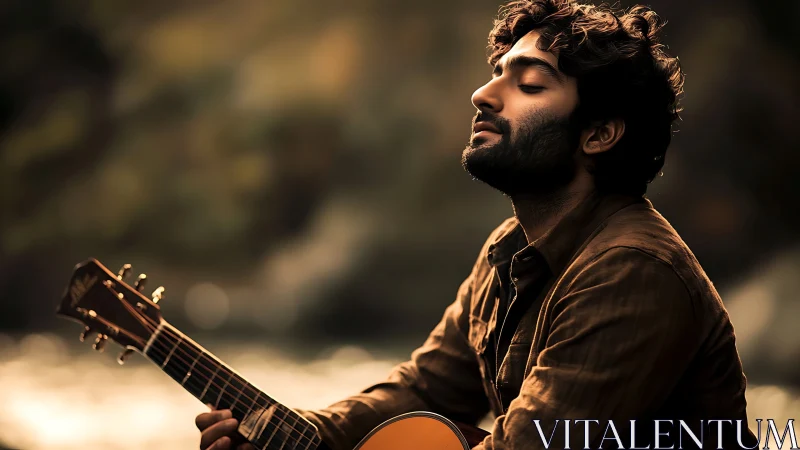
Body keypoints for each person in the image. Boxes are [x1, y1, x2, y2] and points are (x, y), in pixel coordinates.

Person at [196, 0, 756, 448]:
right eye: (497, 75)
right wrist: (300, 431)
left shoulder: (632, 273)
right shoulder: (510, 249)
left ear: (600, 134)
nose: (483, 95)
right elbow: (425, 390)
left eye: (530, 85)